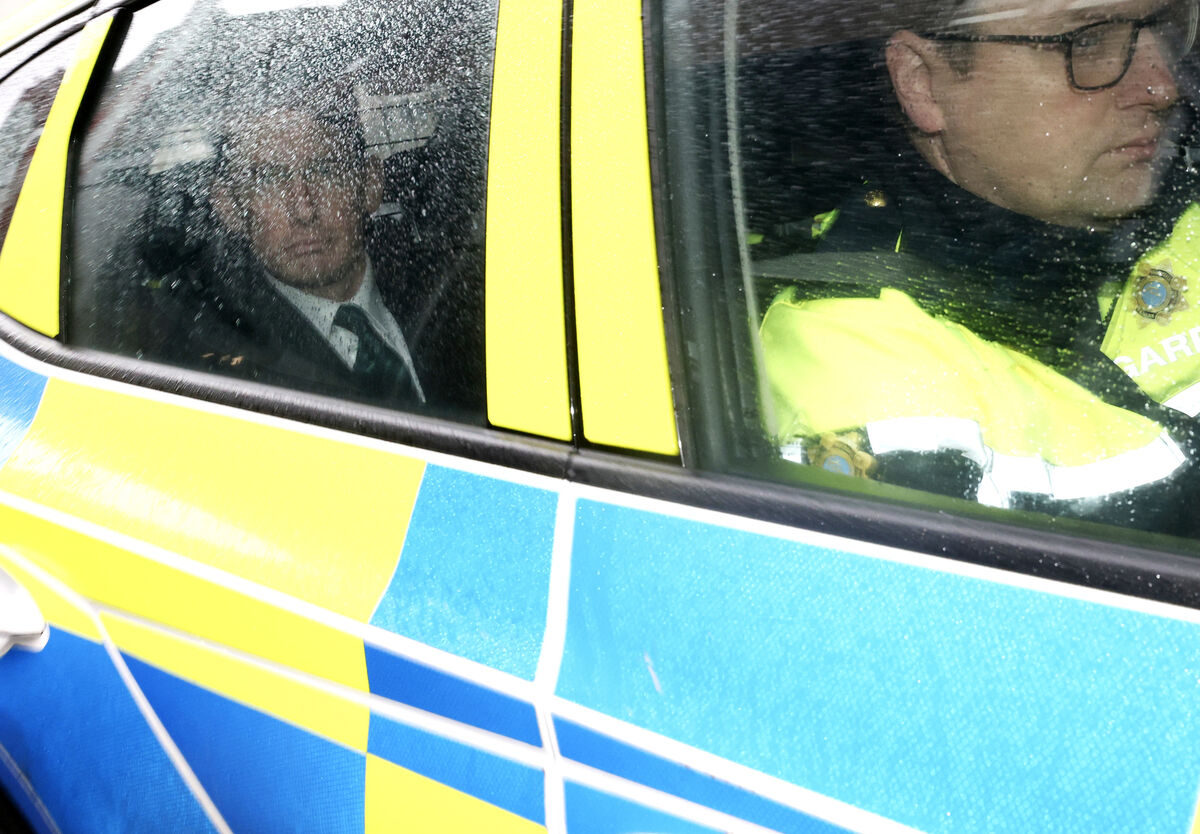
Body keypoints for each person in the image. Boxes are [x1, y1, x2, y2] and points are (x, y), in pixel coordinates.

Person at [760, 0, 1200, 532]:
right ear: (921, 83)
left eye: (1166, 29)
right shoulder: (854, 343)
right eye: (1086, 42)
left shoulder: (1181, 202)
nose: (1162, 87)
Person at [146, 83, 483, 416]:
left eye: (325, 171)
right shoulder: (207, 360)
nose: (304, 211)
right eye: (268, 180)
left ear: (369, 185)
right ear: (229, 208)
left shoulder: (465, 289)